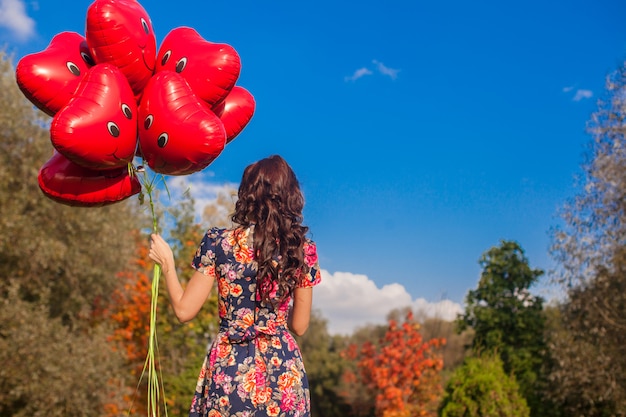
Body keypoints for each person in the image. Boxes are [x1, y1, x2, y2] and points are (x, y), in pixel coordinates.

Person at [149, 155, 322, 417]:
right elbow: (299, 326)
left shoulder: (218, 243)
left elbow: (184, 312)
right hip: (283, 373)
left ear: (248, 194)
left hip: (230, 367)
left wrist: (168, 264)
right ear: (290, 196)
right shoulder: (302, 250)